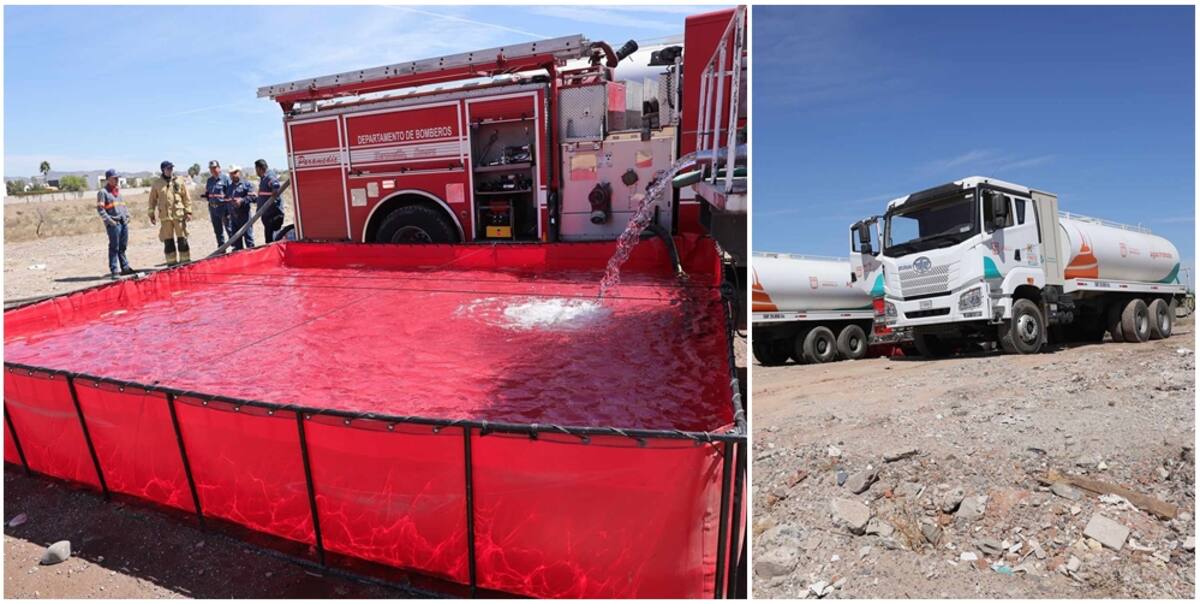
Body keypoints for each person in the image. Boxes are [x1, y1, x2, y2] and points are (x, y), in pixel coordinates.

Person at [148, 160, 193, 265]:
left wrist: (189, 211)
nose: (170, 170)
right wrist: (151, 214)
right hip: (165, 217)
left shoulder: (179, 181)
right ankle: (171, 263)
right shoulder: (157, 184)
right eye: (168, 169)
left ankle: (185, 261)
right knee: (168, 241)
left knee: (182, 239)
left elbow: (186, 197)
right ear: (163, 170)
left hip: (179, 215)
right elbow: (152, 200)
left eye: (171, 168)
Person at [96, 169, 133, 279]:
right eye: (114, 178)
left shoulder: (118, 191)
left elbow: (123, 206)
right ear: (108, 179)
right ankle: (114, 270)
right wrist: (110, 221)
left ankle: (125, 267)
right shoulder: (103, 192)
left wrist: (127, 215)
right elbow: (100, 209)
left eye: (117, 178)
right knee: (114, 247)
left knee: (122, 246)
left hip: (123, 223)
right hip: (114, 224)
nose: (117, 180)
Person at [202, 160, 233, 248]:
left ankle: (235, 247)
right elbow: (208, 193)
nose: (213, 170)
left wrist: (229, 208)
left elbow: (230, 193)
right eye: (211, 169)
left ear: (219, 168)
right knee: (218, 230)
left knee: (229, 229)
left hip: (224, 208)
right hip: (213, 209)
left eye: (215, 168)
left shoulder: (225, 178)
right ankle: (221, 248)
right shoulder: (209, 180)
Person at [254, 159, 284, 243]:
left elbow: (276, 186)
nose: (256, 172)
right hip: (267, 215)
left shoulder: (269, 176)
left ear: (259, 169)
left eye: (256, 169)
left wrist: (275, 191)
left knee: (272, 241)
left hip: (273, 216)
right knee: (269, 239)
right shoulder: (264, 178)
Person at [226, 165, 256, 250]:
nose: (233, 175)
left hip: (245, 217)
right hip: (233, 218)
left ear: (239, 172)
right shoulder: (229, 187)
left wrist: (242, 201)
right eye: (231, 173)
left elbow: (253, 198)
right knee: (237, 242)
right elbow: (227, 200)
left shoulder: (247, 184)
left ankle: (252, 258)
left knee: (249, 240)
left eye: (235, 173)